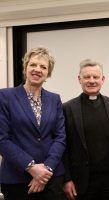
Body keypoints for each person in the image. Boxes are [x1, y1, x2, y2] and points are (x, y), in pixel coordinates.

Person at [0, 47, 66, 200]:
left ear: (48, 74)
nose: (37, 69)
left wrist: (46, 170)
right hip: (17, 178)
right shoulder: (5, 97)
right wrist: (31, 167)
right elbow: (2, 139)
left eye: (43, 67)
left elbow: (60, 137)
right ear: (25, 68)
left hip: (51, 178)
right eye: (33, 65)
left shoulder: (54, 99)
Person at [62, 59, 109, 200]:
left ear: (102, 79)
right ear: (79, 79)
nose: (91, 81)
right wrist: (67, 179)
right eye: (86, 77)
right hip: (81, 181)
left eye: (95, 77)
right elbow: (64, 147)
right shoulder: (67, 108)